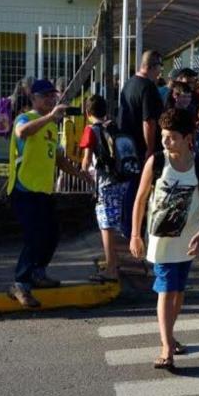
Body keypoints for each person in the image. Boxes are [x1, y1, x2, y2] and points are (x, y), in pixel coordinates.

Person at [129, 108, 199, 370]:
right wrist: (135, 235)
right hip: (160, 239)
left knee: (178, 291)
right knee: (166, 289)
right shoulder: (156, 162)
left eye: (172, 137)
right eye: (164, 136)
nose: (166, 141)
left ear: (188, 138)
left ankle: (170, 335)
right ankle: (167, 348)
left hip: (188, 238)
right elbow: (141, 199)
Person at [6, 80, 88, 307]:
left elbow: (59, 159)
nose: (50, 100)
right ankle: (20, 283)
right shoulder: (26, 119)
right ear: (33, 98)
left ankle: (37, 273)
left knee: (52, 234)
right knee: (34, 237)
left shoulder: (51, 127)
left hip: (43, 189)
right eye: (45, 96)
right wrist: (51, 117)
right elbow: (22, 132)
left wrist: (80, 174)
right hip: (24, 189)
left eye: (53, 96)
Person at [79, 94, 129, 282]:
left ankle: (111, 269)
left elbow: (85, 161)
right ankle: (114, 262)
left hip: (106, 183)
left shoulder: (91, 130)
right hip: (122, 180)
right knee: (116, 222)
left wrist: (84, 174)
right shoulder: (113, 126)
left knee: (106, 225)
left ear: (87, 112)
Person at [118, 50, 164, 238]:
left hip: (126, 144)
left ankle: (126, 226)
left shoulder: (128, 84)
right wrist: (150, 149)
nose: (159, 73)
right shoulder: (148, 87)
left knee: (130, 187)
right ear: (152, 66)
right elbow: (149, 121)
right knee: (140, 190)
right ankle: (132, 230)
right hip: (141, 146)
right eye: (159, 67)